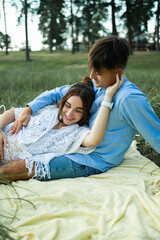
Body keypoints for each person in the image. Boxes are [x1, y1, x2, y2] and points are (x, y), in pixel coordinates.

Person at [1, 35, 160, 179]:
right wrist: (29, 109)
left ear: (118, 72)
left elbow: (156, 136)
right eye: (91, 70)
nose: (91, 76)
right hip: (69, 142)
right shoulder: (95, 85)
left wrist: (108, 98)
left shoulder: (130, 98)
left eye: (98, 72)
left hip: (91, 159)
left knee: (14, 169)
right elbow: (56, 94)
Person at [0, 74, 124, 181]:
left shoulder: (77, 133)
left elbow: (94, 139)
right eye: (68, 106)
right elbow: (11, 113)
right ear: (62, 103)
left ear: (85, 113)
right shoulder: (48, 110)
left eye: (78, 111)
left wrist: (108, 98)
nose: (69, 114)